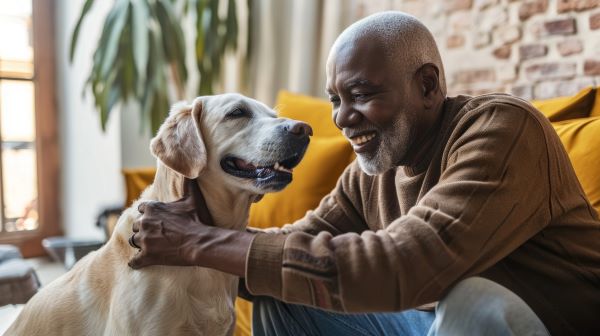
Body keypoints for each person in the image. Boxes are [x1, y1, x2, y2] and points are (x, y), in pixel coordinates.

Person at [128, 11, 600, 335]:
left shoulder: (503, 129)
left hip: (548, 323)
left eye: (361, 93)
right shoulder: (374, 169)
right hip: (435, 326)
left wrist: (196, 241)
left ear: (428, 85)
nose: (341, 117)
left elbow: (406, 265)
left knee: (472, 300)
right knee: (286, 288)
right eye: (335, 99)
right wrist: (185, 231)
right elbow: (293, 248)